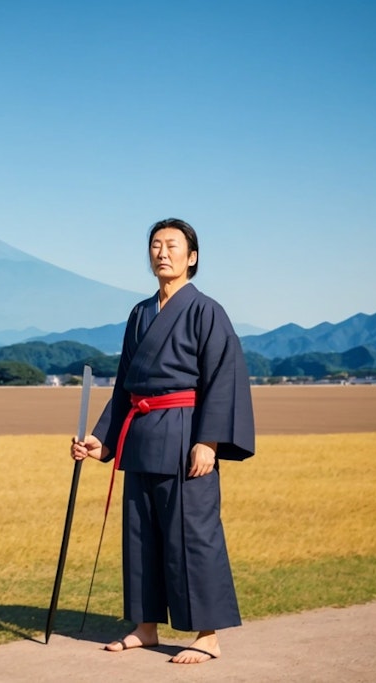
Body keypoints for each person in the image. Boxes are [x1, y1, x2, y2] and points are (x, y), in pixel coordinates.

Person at [70, 217, 255, 664]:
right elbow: (124, 386)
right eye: (155, 245)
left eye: (172, 245)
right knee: (141, 535)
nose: (162, 252)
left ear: (191, 257)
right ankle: (145, 627)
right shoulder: (139, 313)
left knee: (194, 533)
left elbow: (223, 378)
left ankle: (207, 634)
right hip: (139, 433)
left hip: (186, 432)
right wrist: (102, 439)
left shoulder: (206, 310)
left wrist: (209, 441)